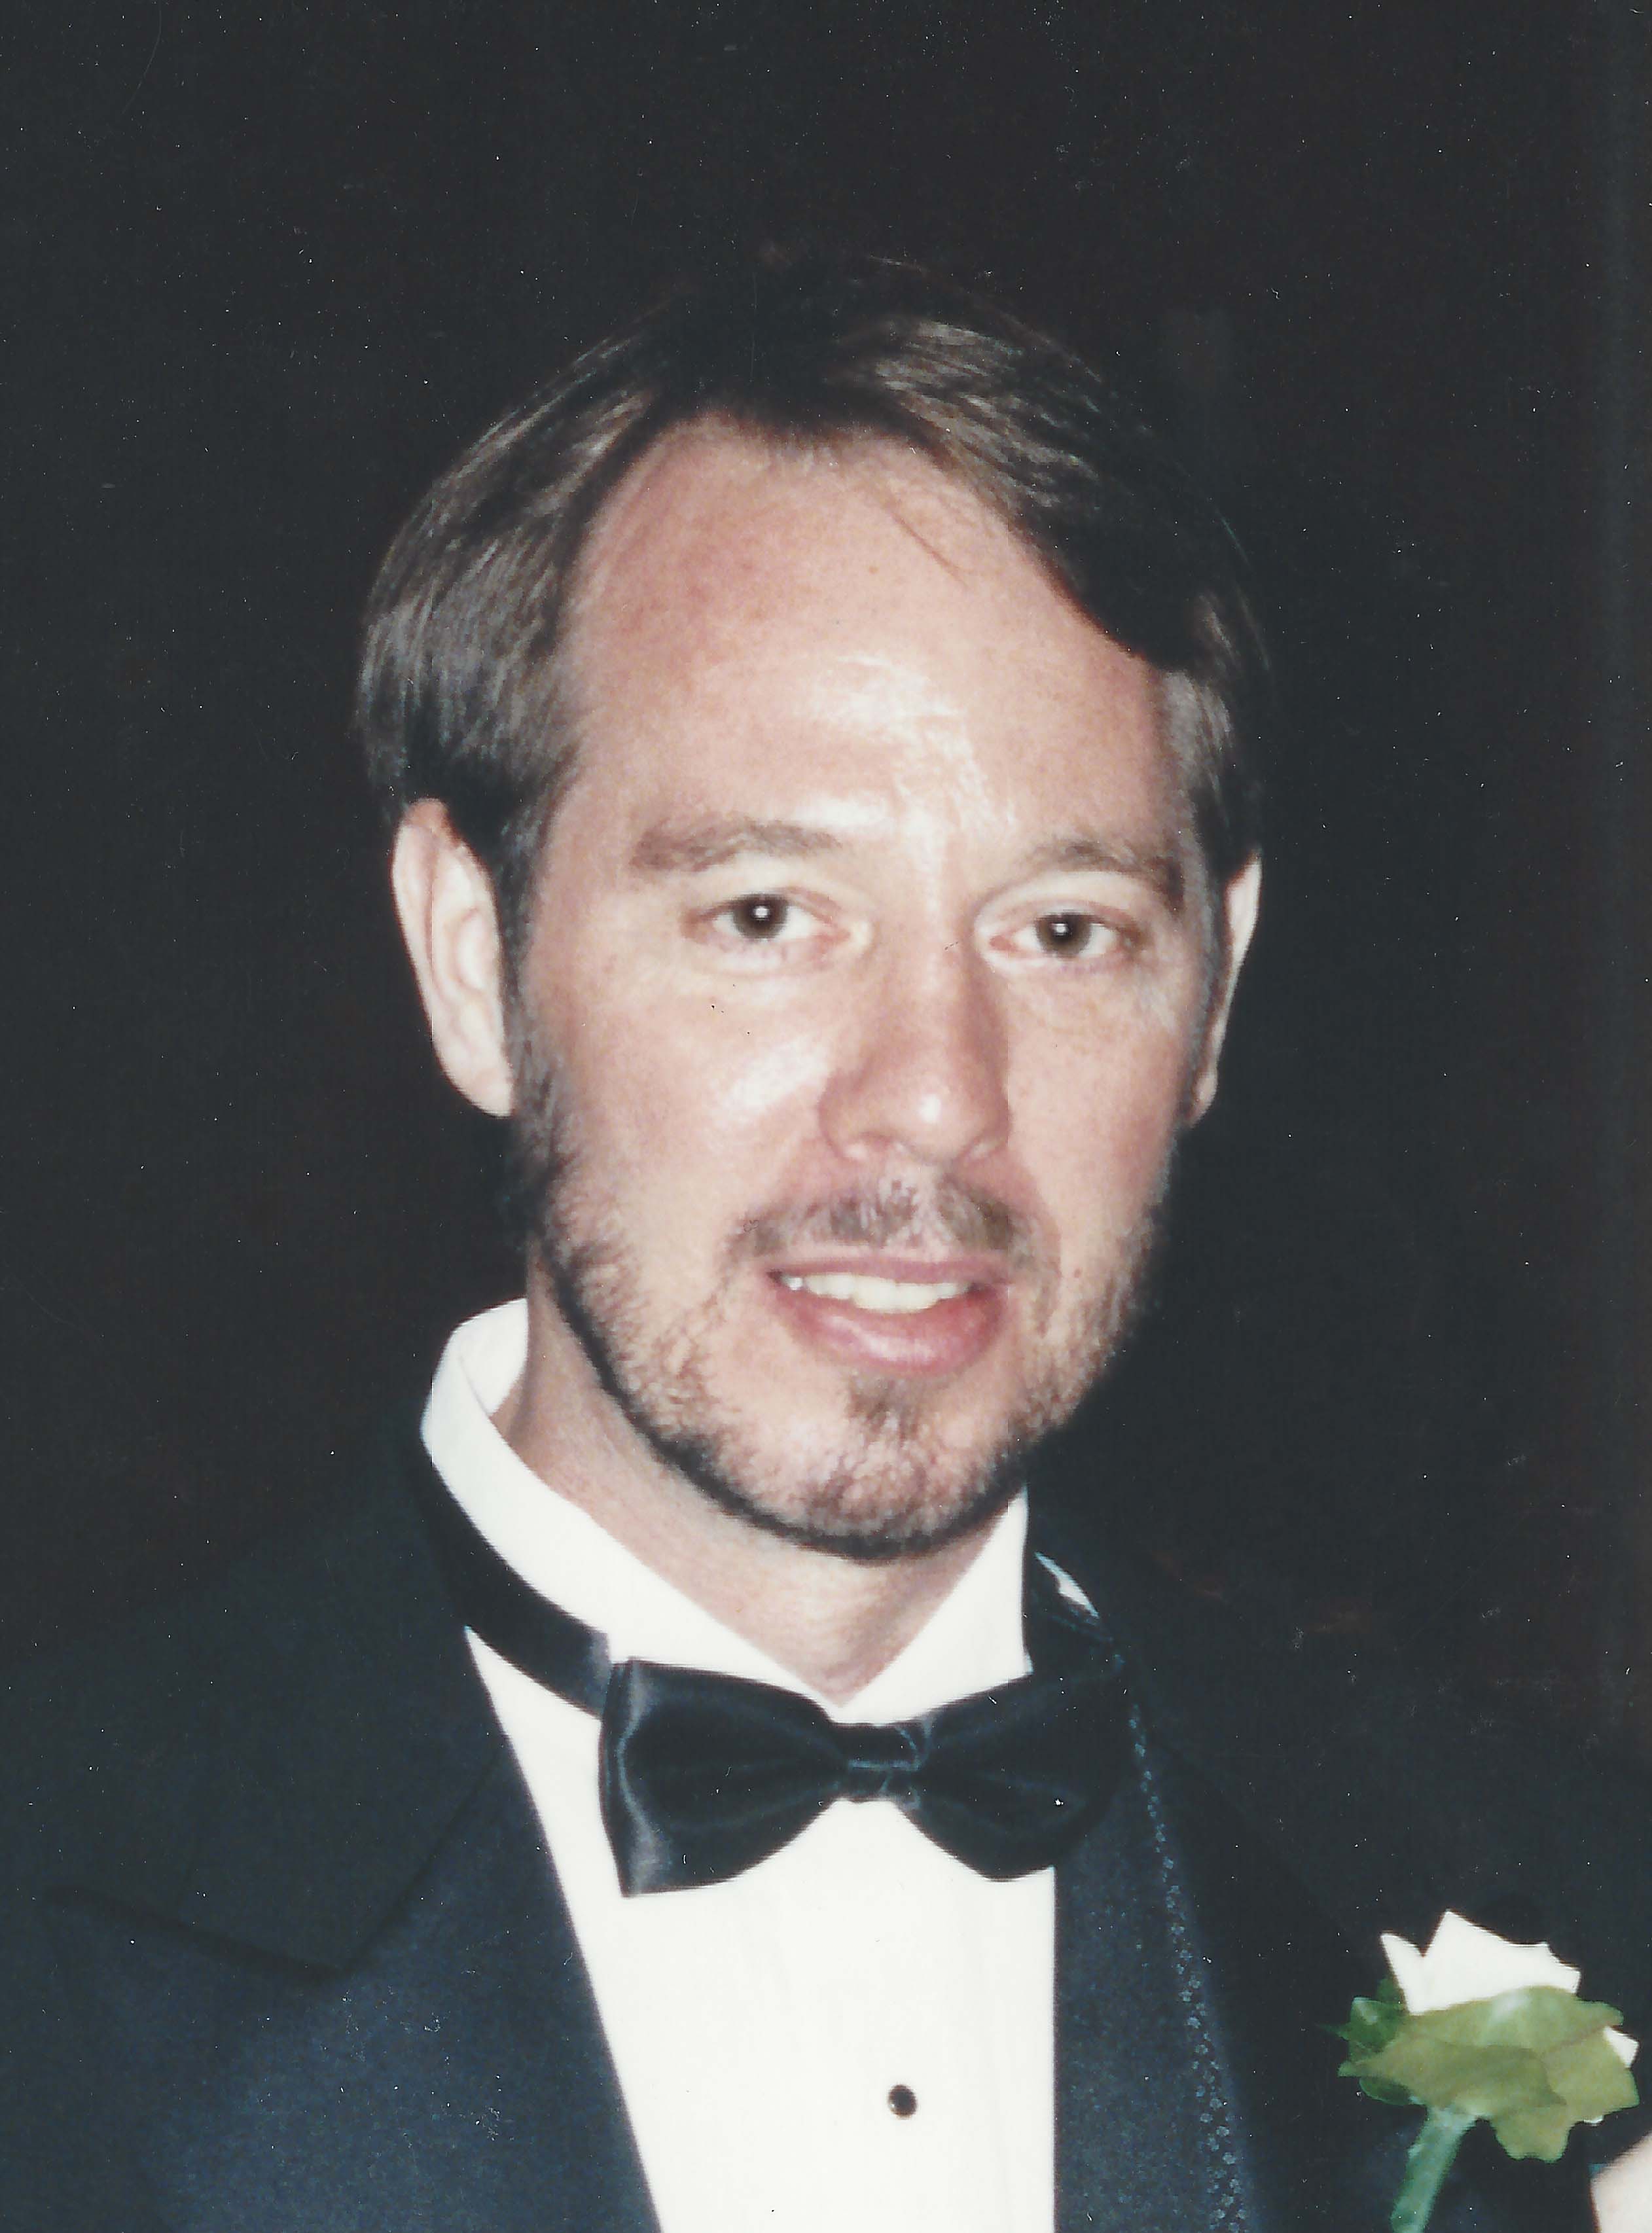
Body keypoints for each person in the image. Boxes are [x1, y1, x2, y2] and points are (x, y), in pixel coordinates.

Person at [1, 251, 1642, 2232]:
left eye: (1063, 930)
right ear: (470, 956)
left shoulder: (1554, 1906)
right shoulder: (54, 1921)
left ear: (1214, 988)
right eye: (768, 914)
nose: (935, 1097)